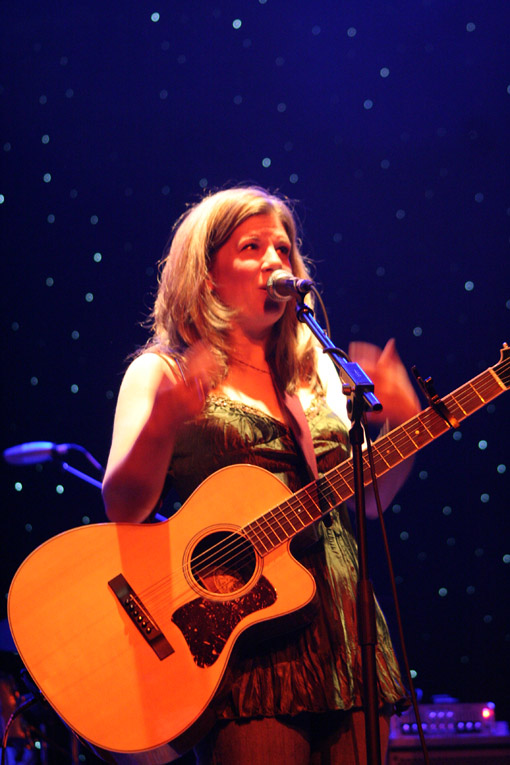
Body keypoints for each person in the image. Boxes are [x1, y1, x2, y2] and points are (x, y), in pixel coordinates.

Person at [102, 185, 421, 764]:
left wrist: (404, 429)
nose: (276, 260)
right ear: (207, 275)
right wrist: (163, 422)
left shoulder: (318, 371)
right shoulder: (161, 371)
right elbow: (123, 507)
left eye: (284, 248)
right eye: (252, 247)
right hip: (245, 642)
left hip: (345, 632)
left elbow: (367, 503)